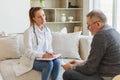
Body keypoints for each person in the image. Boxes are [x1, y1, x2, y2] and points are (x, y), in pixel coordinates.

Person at [62, 10, 120, 80]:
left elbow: (89, 69)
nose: (87, 28)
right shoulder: (113, 31)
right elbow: (96, 61)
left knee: (68, 74)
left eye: (88, 25)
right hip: (116, 74)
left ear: (98, 24)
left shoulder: (101, 36)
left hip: (107, 76)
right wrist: (81, 63)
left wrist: (71, 67)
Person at [23, 7, 60, 80]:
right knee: (49, 64)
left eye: (43, 15)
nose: (43, 18)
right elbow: (28, 52)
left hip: (44, 58)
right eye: (39, 17)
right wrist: (42, 55)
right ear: (33, 18)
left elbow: (49, 47)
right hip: (32, 59)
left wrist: (51, 54)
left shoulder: (47, 30)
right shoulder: (28, 32)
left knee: (57, 63)